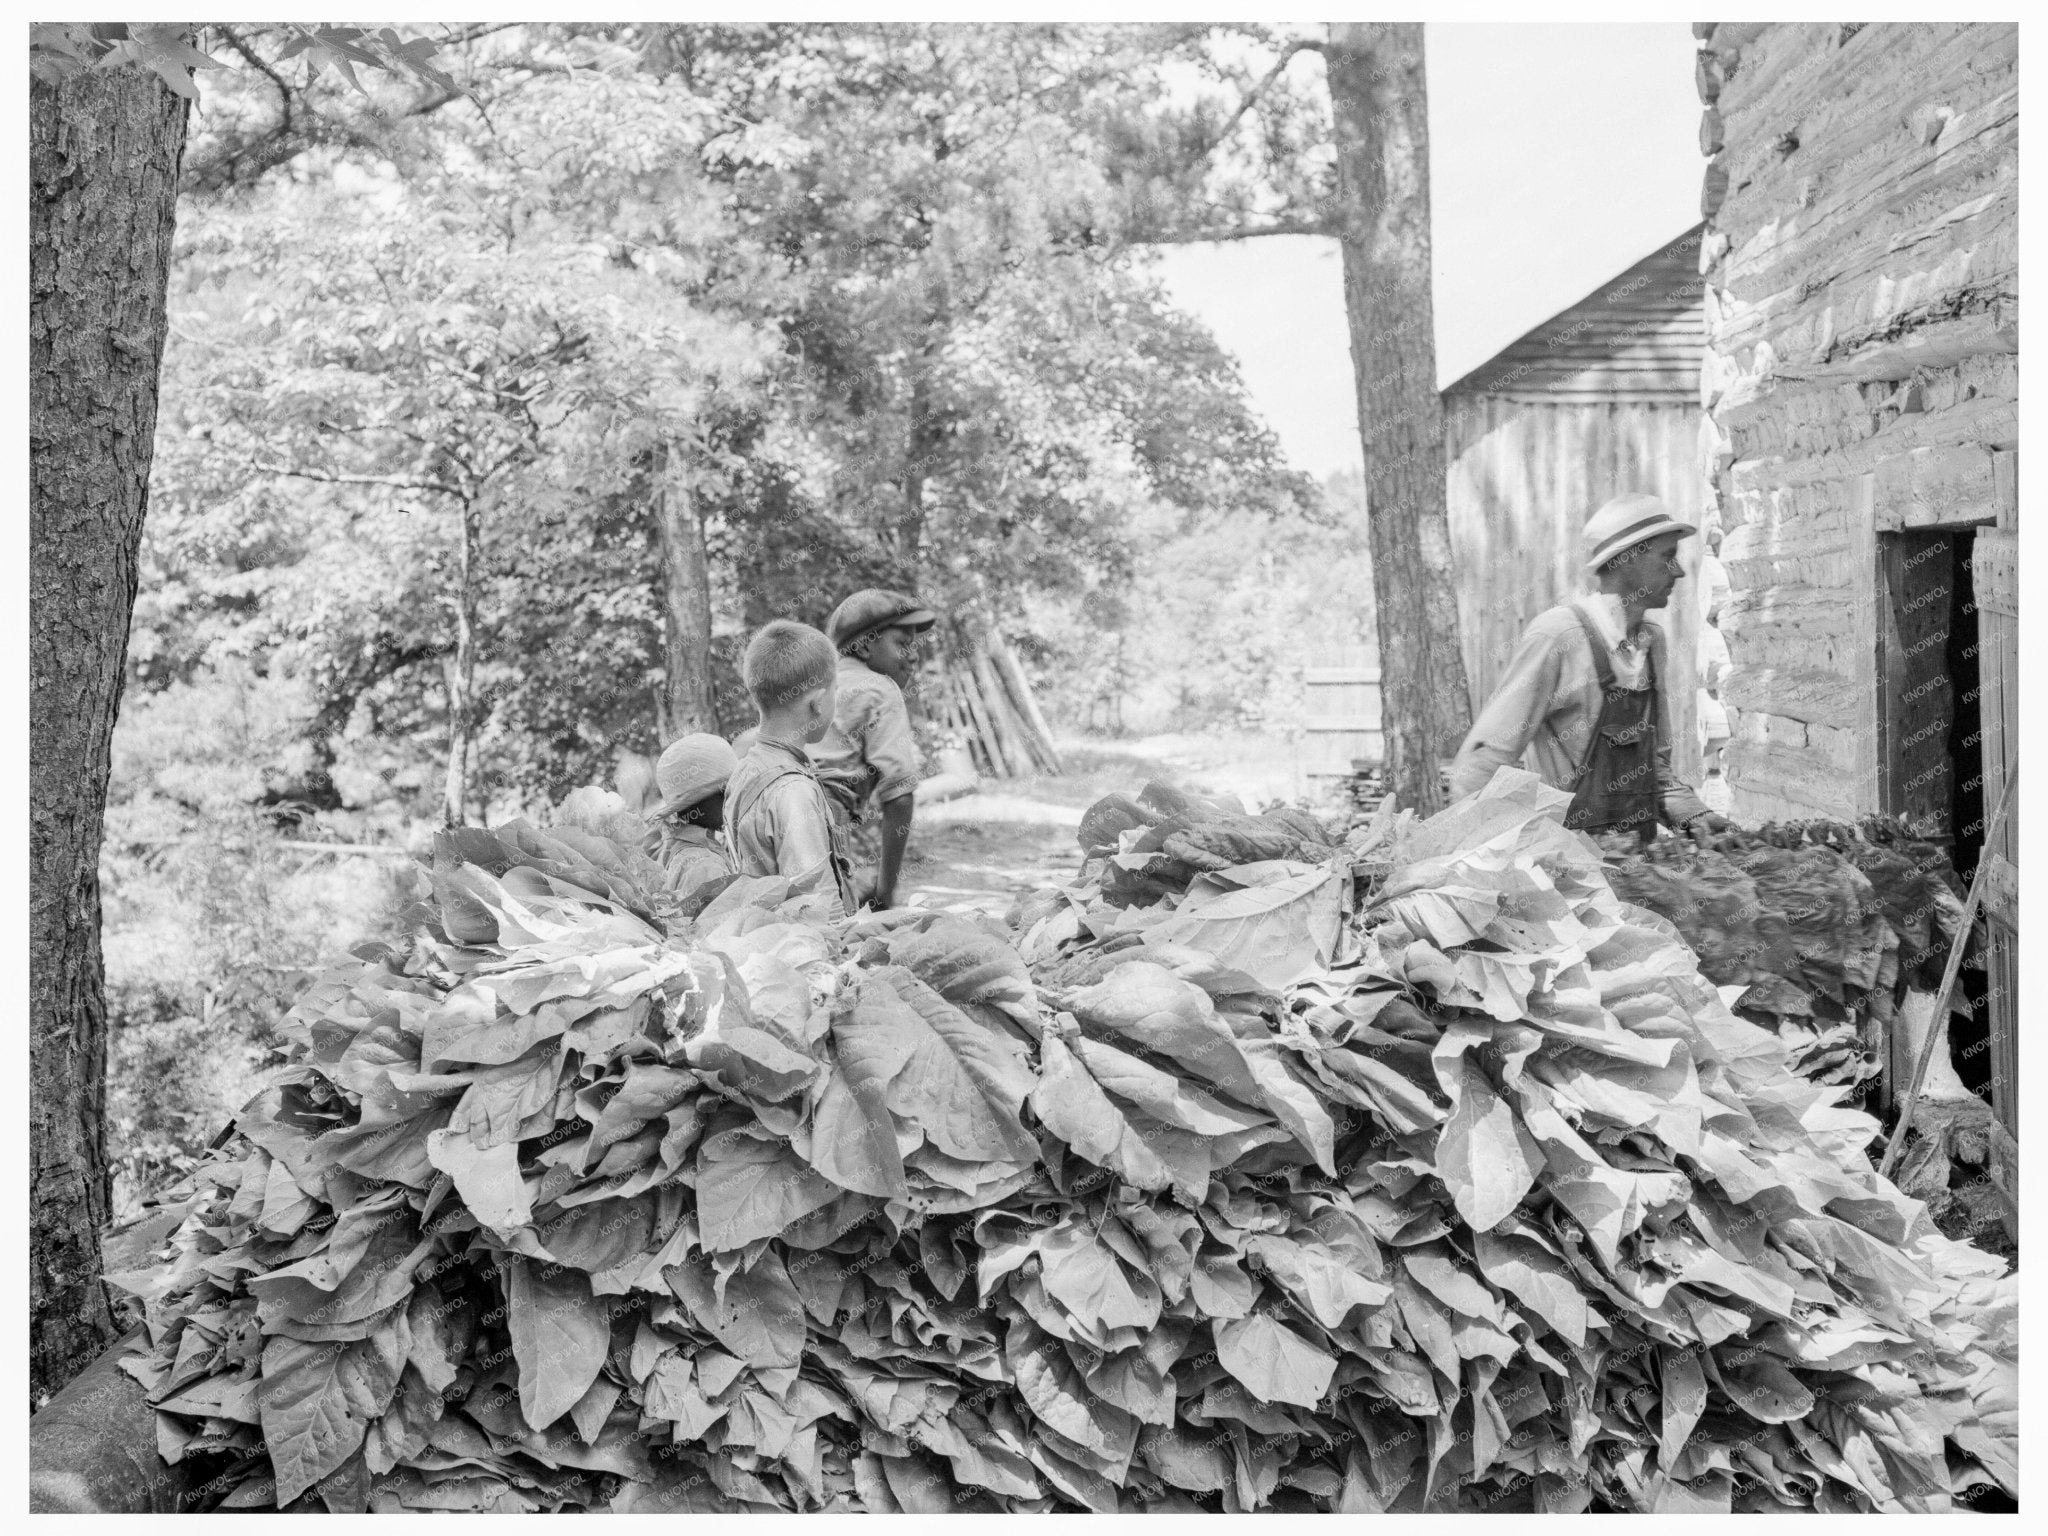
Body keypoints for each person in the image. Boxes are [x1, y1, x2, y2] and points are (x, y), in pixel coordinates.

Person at [1448, 492, 1734, 843]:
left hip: (1638, 867)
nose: (1677, 571)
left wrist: (1696, 815)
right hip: (1572, 873)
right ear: (1627, 560)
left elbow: (1654, 770)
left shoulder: (1651, 642)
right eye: (1667, 557)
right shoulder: (1559, 636)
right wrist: (1494, 863)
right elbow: (1479, 766)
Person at [812, 588, 937, 911]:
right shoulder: (880, 688)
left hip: (767, 814)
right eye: (903, 644)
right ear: (867, 645)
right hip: (822, 822)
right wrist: (886, 888)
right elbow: (899, 795)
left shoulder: (816, 683)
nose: (913, 656)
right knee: (838, 933)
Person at [723, 620, 858, 913]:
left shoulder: (745, 769)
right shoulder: (794, 791)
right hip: (806, 949)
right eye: (835, 692)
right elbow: (817, 908)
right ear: (819, 702)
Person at [645, 733, 737, 896]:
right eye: (725, 792)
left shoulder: (679, 847)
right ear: (697, 805)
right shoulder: (706, 867)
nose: (734, 799)